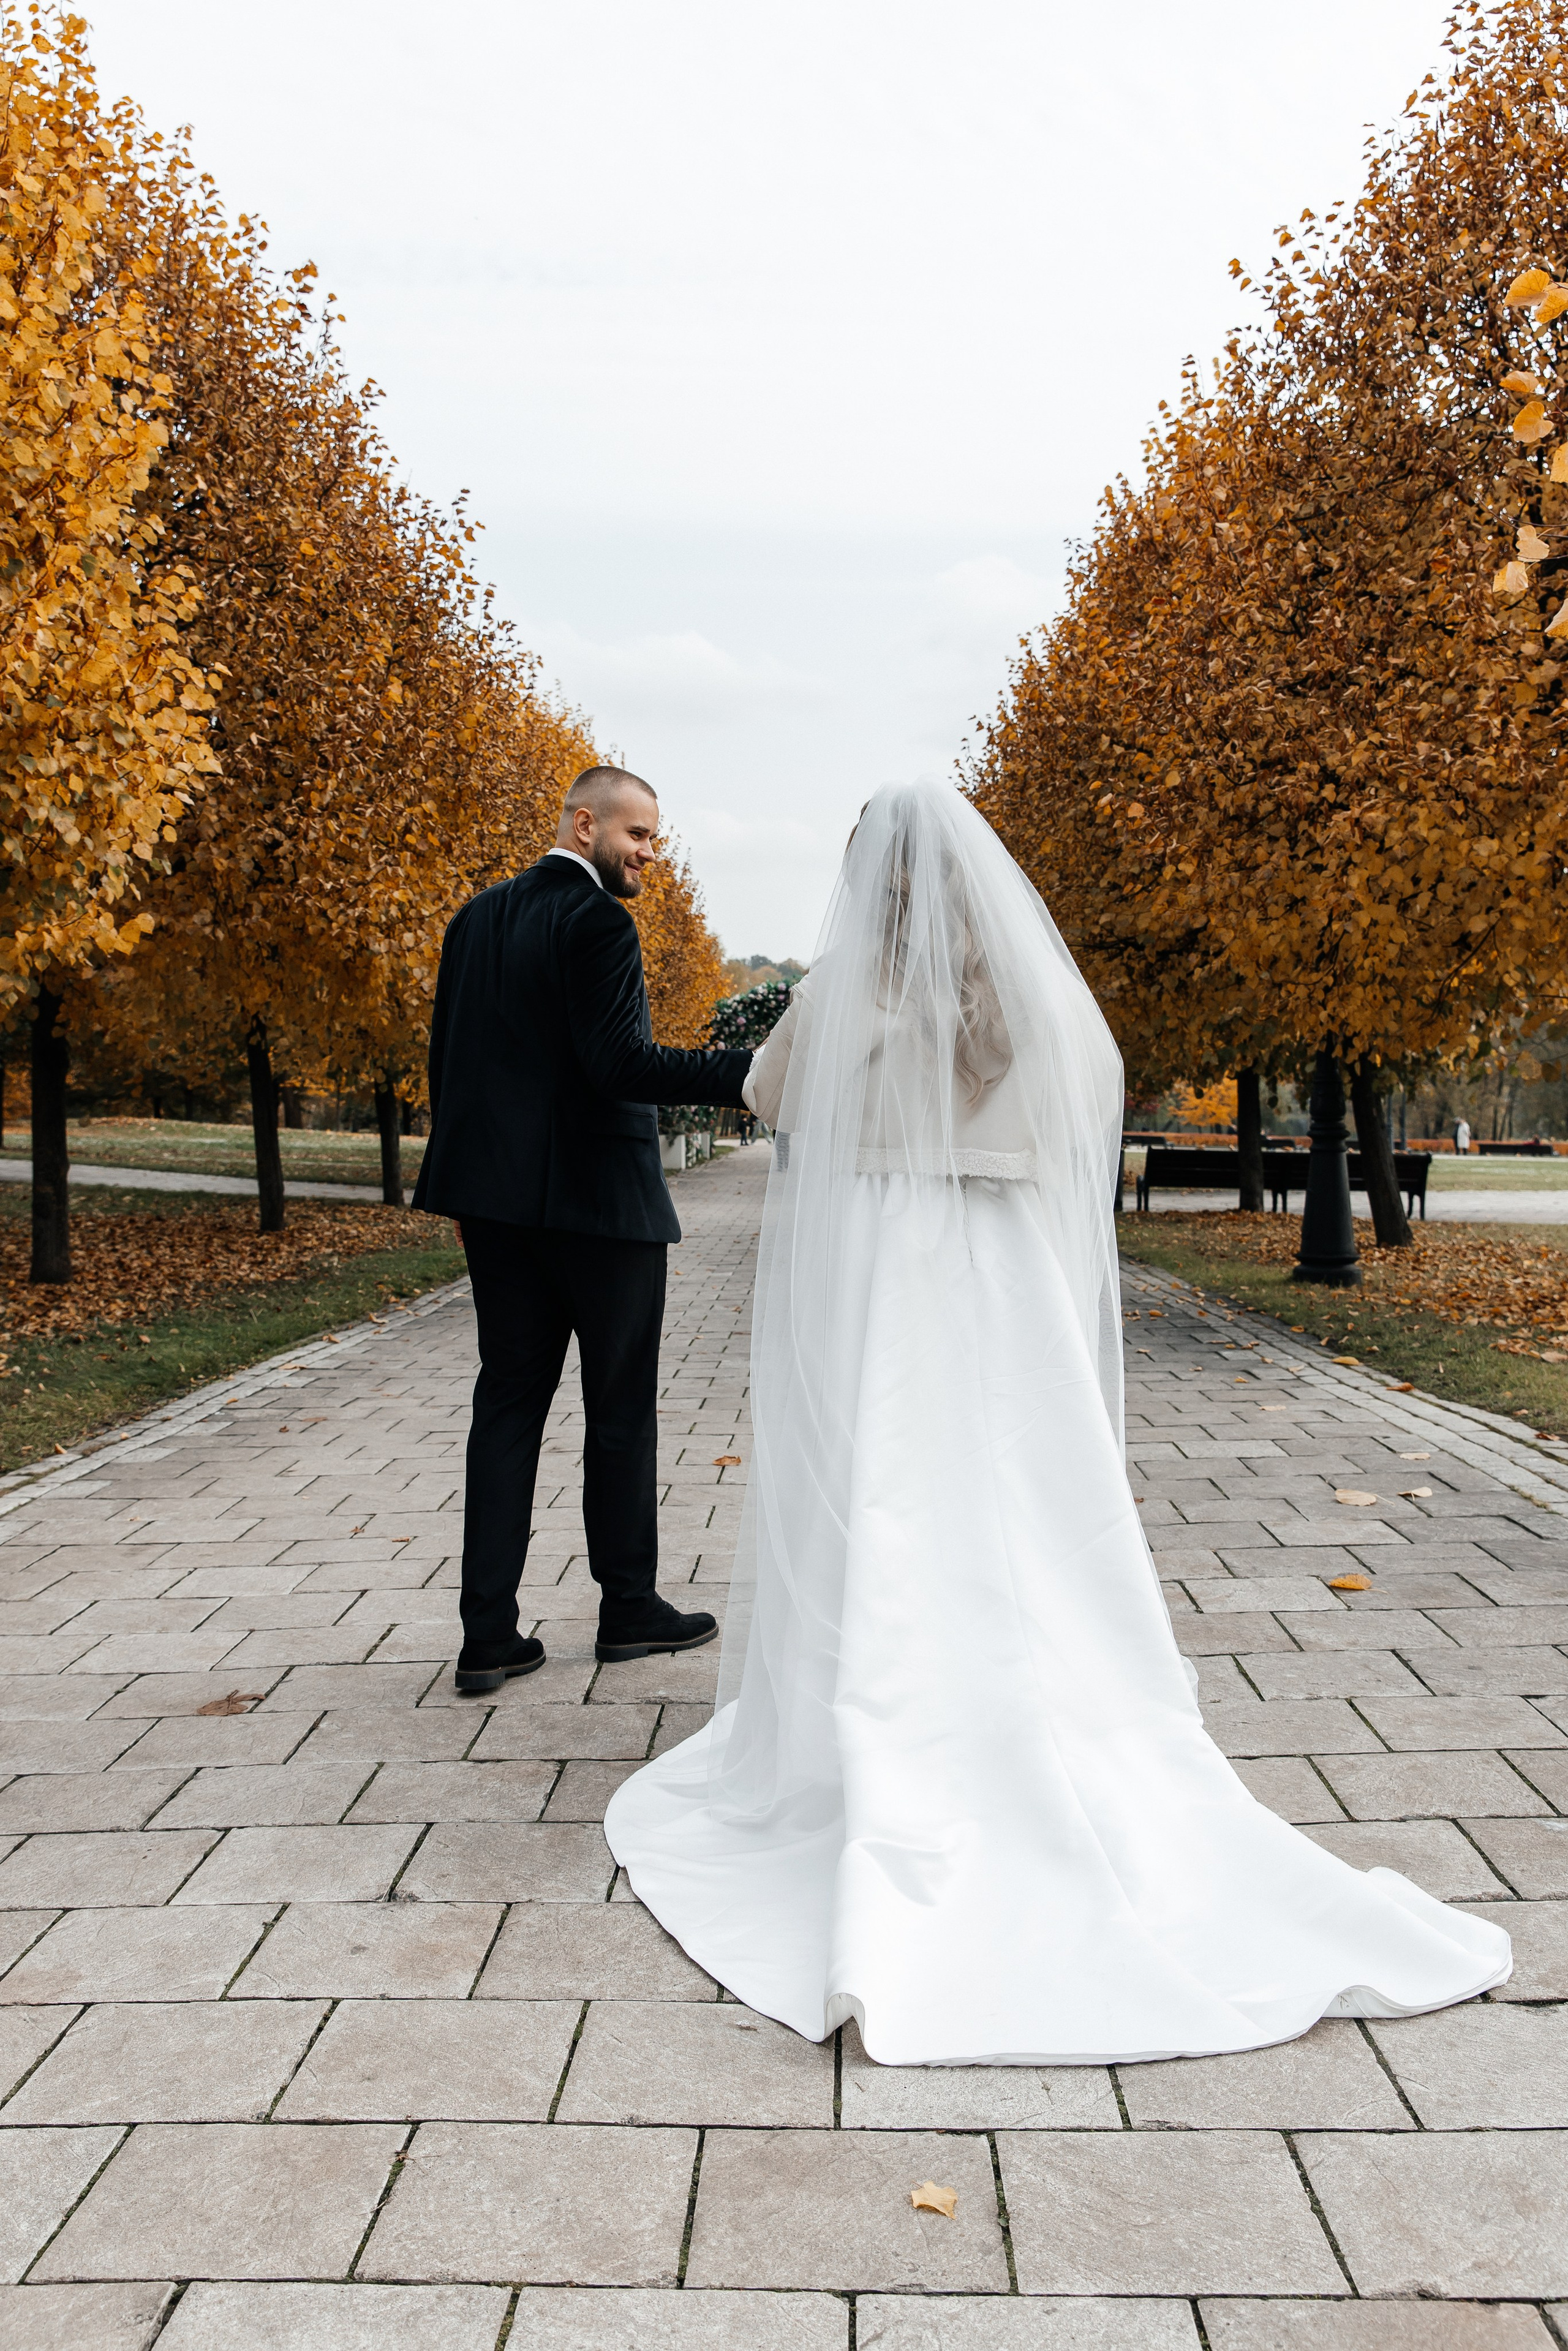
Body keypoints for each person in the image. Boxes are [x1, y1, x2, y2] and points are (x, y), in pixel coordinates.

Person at [605, 782, 1510, 2064]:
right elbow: (1093, 1084)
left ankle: (891, 1713)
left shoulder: (851, 985)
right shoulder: (1025, 993)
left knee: (894, 1483)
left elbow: (767, 1090)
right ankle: (1062, 1696)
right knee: (1027, 1487)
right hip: (1007, 1269)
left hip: (893, 1260)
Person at [413, 765, 754, 1695]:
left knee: (507, 1405)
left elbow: (449, 1062)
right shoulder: (600, 921)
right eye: (638, 834)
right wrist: (751, 1076)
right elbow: (621, 1065)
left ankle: (488, 1635)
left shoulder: (474, 920)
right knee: (620, 1408)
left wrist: (474, 1186)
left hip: (497, 1209)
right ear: (583, 824)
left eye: (655, 838)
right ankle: (628, 1609)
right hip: (602, 1210)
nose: (649, 853)